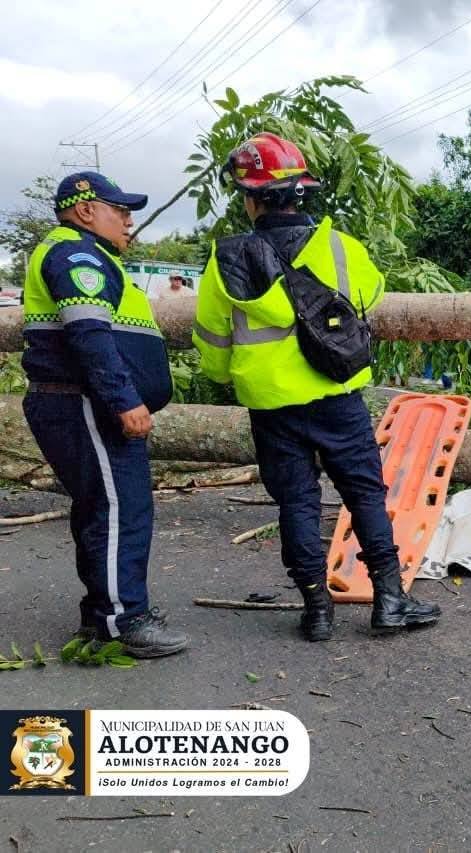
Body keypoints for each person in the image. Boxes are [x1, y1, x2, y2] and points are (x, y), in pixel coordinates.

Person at [192, 132, 440, 642]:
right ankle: (391, 600)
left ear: (250, 197)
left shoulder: (226, 261)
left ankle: (316, 610)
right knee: (365, 495)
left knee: (297, 503)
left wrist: (229, 376)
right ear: (299, 191)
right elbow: (369, 295)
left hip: (270, 403)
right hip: (336, 393)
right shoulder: (339, 247)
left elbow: (213, 343)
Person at [21, 171, 187, 657]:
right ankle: (124, 620)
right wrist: (124, 400)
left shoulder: (89, 255)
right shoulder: (75, 255)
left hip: (83, 401)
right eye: (121, 211)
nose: (129, 222)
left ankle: (102, 615)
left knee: (103, 509)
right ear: (87, 209)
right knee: (121, 511)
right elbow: (90, 335)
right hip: (85, 402)